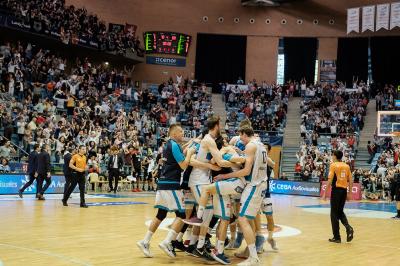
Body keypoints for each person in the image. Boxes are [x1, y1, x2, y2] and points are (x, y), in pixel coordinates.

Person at [137, 124, 195, 258]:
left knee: (161, 215)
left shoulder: (169, 145)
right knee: (182, 215)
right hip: (171, 185)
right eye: (181, 132)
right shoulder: (174, 145)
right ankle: (167, 241)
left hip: (162, 185)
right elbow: (183, 165)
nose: (183, 134)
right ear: (174, 133)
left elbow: (179, 153)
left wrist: (190, 144)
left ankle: (145, 241)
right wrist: (190, 153)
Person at [213, 126, 268, 266]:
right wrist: (241, 153)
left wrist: (224, 175)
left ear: (244, 134)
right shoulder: (260, 144)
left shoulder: (250, 146)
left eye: (240, 136)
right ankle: (249, 252)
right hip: (261, 184)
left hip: (254, 185)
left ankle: (254, 258)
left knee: (242, 219)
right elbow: (253, 160)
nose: (239, 139)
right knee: (248, 220)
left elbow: (245, 171)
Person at [322, 150, 354, 243]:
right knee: (340, 212)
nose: (332, 156)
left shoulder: (333, 165)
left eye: (332, 155)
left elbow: (330, 180)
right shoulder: (347, 166)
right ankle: (348, 228)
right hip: (344, 191)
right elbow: (351, 181)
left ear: (335, 156)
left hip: (336, 191)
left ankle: (337, 237)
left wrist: (324, 193)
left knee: (334, 214)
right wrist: (350, 193)